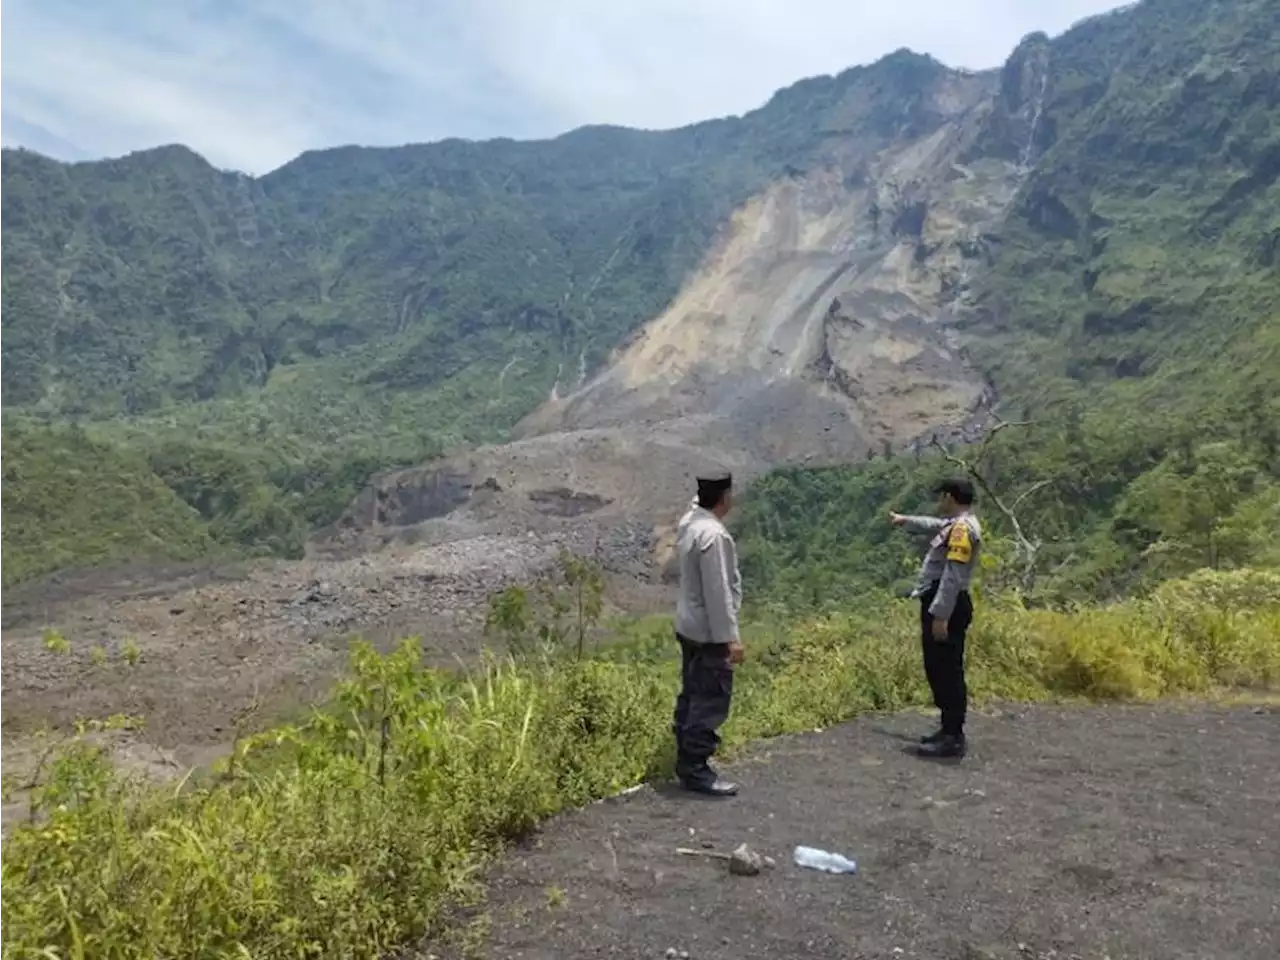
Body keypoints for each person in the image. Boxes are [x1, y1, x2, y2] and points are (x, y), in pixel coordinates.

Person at [889, 477, 982, 759]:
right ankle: (947, 728)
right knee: (937, 666)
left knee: (947, 669)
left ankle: (953, 737)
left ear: (950, 497)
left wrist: (940, 614)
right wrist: (906, 520)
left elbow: (953, 575)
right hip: (944, 603)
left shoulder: (962, 530)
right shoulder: (955, 524)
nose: (939, 502)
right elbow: (933, 525)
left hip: (947, 605)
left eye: (941, 497)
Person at [672, 470, 744, 797]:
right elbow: (719, 593)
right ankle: (696, 770)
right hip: (707, 632)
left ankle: (685, 758)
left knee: (691, 693)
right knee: (711, 699)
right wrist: (731, 638)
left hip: (688, 625)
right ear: (724, 498)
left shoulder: (690, 521)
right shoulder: (713, 536)